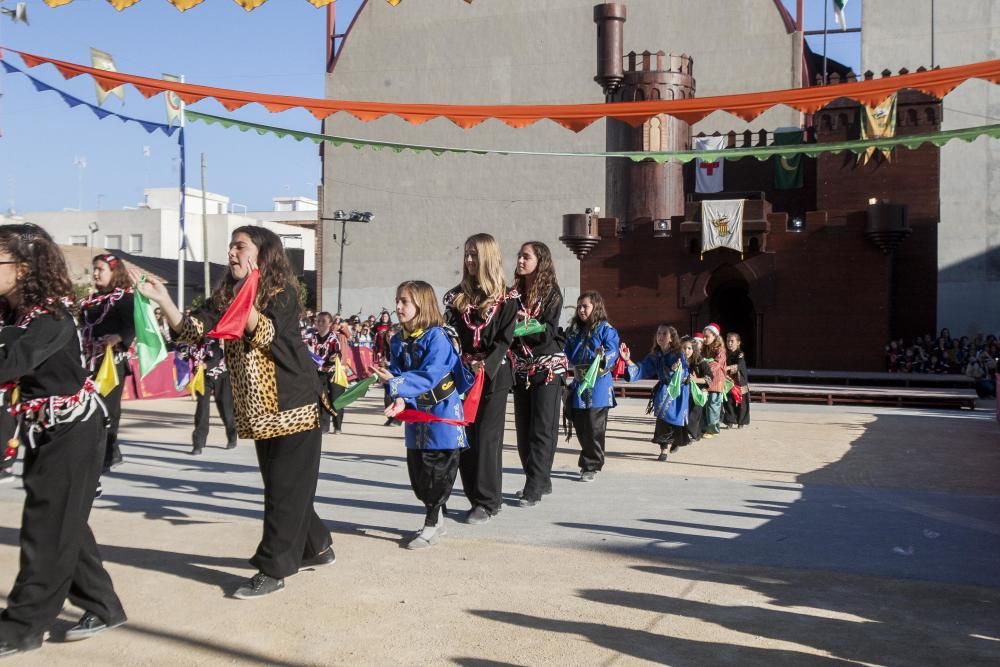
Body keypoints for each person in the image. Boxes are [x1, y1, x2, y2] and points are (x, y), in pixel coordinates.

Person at [132, 226, 334, 599]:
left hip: (296, 407)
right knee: (284, 488)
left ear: (262, 254)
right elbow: (194, 330)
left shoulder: (282, 293)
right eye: (230, 246)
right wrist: (164, 299)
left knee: (283, 493)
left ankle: (273, 568)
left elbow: (265, 334)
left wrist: (246, 302)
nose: (231, 253)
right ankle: (318, 545)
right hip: (259, 413)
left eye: (240, 246)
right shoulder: (226, 295)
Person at [0, 224, 126, 657]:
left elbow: (10, 361)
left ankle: (22, 626)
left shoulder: (49, 317)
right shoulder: (12, 313)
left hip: (74, 432)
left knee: (46, 528)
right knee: (63, 520)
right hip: (45, 430)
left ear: (22, 268)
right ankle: (103, 605)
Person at [375, 281, 474, 549]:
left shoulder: (438, 338)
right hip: (417, 415)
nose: (398, 307)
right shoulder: (398, 339)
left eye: (404, 301)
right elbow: (396, 371)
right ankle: (437, 519)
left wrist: (395, 384)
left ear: (422, 304)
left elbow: (429, 375)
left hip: (442, 414)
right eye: (397, 300)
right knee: (419, 473)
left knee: (437, 473)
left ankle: (431, 524)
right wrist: (398, 398)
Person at [443, 233, 518, 524]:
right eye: (466, 254)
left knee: (487, 438)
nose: (469, 260)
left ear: (487, 257)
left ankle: (487, 501)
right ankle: (474, 496)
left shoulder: (508, 299)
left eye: (474, 254)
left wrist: (485, 365)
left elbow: (504, 339)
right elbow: (450, 335)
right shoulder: (454, 297)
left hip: (494, 376)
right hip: (462, 375)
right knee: (465, 438)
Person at [510, 241, 566, 507]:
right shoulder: (513, 294)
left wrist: (524, 324)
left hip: (547, 368)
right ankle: (540, 478)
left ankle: (534, 485)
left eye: (526, 257)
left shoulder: (552, 294)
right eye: (519, 256)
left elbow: (547, 333)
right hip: (520, 369)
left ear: (540, 261)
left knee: (542, 429)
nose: (520, 261)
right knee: (523, 431)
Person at [78, 253, 134, 472]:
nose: (95, 273)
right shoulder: (90, 301)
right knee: (90, 408)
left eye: (100, 269)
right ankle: (107, 452)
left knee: (108, 410)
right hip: (89, 361)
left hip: (112, 363)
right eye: (94, 269)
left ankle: (106, 454)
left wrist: (118, 337)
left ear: (114, 272)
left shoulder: (125, 298)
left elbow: (133, 325)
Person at [564, 291, 621, 481]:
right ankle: (588, 458)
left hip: (598, 384)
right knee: (580, 423)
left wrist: (603, 357)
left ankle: (591, 465)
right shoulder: (575, 331)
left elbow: (613, 351)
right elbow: (565, 353)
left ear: (595, 307)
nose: (581, 310)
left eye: (585, 306)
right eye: (579, 306)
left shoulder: (606, 329)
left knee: (594, 426)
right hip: (580, 382)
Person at [621, 324, 689, 461]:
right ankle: (664, 450)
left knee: (676, 421)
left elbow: (685, 370)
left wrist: (677, 370)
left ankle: (676, 440)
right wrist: (627, 360)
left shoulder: (677, 354)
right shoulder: (655, 355)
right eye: (658, 333)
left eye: (664, 334)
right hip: (664, 390)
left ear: (671, 338)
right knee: (662, 420)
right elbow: (643, 368)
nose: (660, 336)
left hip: (678, 391)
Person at [182, 336, 237, 454]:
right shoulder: (189, 344)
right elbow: (184, 358)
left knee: (226, 409)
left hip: (221, 375)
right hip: (202, 378)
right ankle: (198, 444)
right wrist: (181, 356)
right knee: (202, 409)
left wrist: (204, 365)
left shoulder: (212, 341)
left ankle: (232, 436)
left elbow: (216, 358)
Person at [307, 312, 347, 435]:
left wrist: (335, 356)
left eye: (323, 321)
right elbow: (307, 352)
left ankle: (338, 425)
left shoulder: (334, 339)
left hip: (334, 373)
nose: (320, 323)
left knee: (336, 399)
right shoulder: (311, 338)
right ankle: (324, 426)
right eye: (318, 321)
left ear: (330, 324)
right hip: (318, 373)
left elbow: (338, 353)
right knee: (321, 399)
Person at [681, 336, 709, 444]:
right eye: (684, 348)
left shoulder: (700, 362)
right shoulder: (678, 360)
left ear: (694, 349)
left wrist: (695, 379)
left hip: (696, 393)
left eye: (689, 348)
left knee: (694, 413)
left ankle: (692, 434)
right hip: (682, 392)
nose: (686, 351)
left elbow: (709, 378)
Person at [701, 323, 727, 438]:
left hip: (716, 381)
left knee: (713, 405)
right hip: (706, 381)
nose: (704, 339)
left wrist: (705, 363)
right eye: (704, 336)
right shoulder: (705, 348)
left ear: (715, 336)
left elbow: (716, 364)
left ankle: (712, 430)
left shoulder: (720, 350)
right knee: (704, 404)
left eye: (707, 336)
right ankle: (704, 428)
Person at [722, 332, 751, 428]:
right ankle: (730, 421)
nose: (729, 343)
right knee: (729, 401)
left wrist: (727, 368)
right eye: (728, 341)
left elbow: (739, 365)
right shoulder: (724, 353)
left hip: (740, 381)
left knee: (742, 403)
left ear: (738, 342)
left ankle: (741, 422)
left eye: (732, 341)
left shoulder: (740, 354)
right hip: (729, 380)